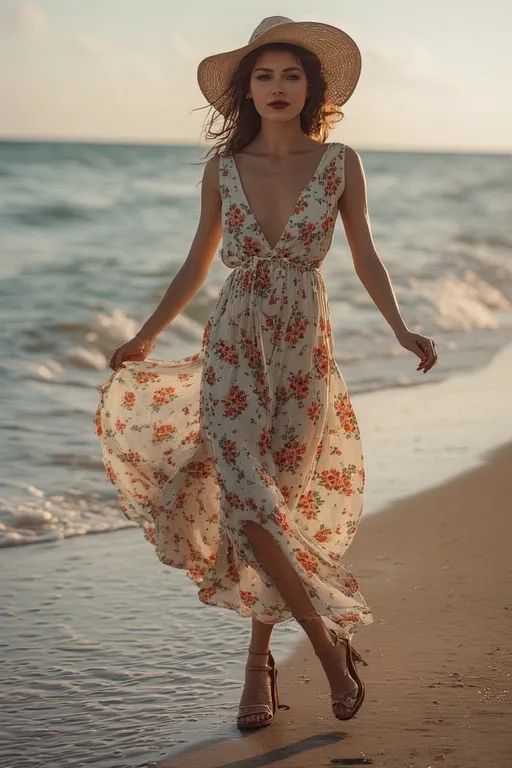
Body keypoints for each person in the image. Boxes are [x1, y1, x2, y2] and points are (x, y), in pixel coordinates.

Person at [95, 16, 437, 731]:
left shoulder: (340, 161)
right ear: (245, 90)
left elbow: (366, 255)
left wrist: (401, 328)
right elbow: (196, 263)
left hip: (303, 347)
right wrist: (145, 334)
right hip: (233, 344)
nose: (277, 87)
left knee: (279, 502)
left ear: (311, 88)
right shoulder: (223, 169)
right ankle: (323, 643)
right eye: (263, 75)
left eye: (290, 76)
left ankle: (258, 660)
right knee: (247, 500)